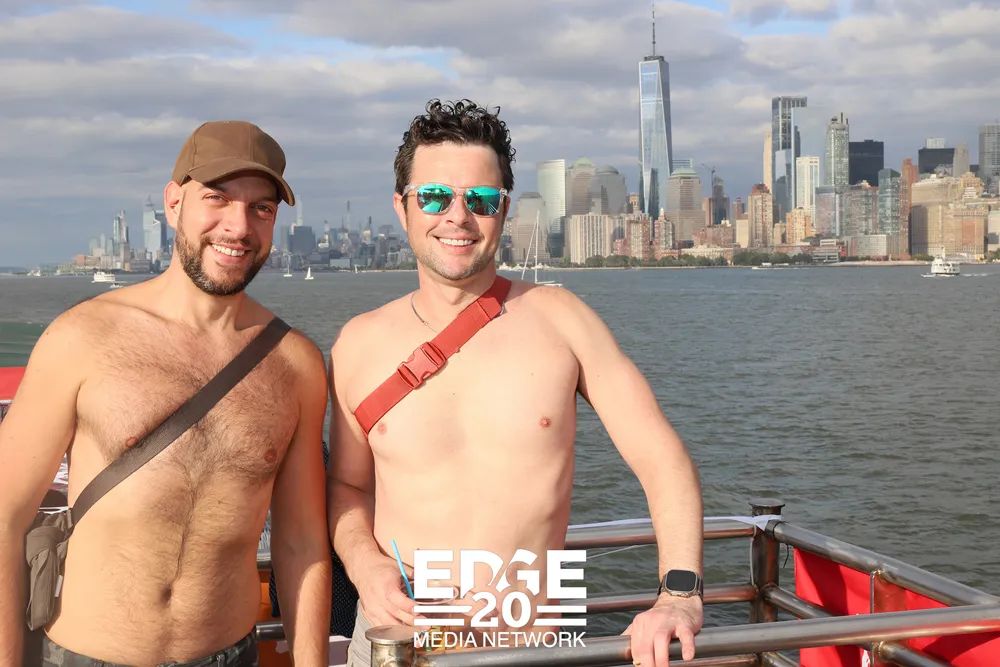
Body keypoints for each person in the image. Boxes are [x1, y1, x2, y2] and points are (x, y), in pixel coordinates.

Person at [327, 99, 704, 667]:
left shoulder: (563, 320)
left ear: (504, 211)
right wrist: (366, 566)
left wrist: (678, 596)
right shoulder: (357, 344)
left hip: (528, 647)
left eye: (480, 199)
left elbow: (661, 458)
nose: (458, 217)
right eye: (434, 197)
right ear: (402, 208)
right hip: (395, 646)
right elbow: (347, 488)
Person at [0, 120, 332, 667]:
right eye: (217, 199)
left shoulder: (296, 364)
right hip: (87, 655)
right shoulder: (83, 337)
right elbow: (7, 516)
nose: (239, 226)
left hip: (230, 655)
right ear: (174, 204)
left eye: (261, 208)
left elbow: (300, 542)